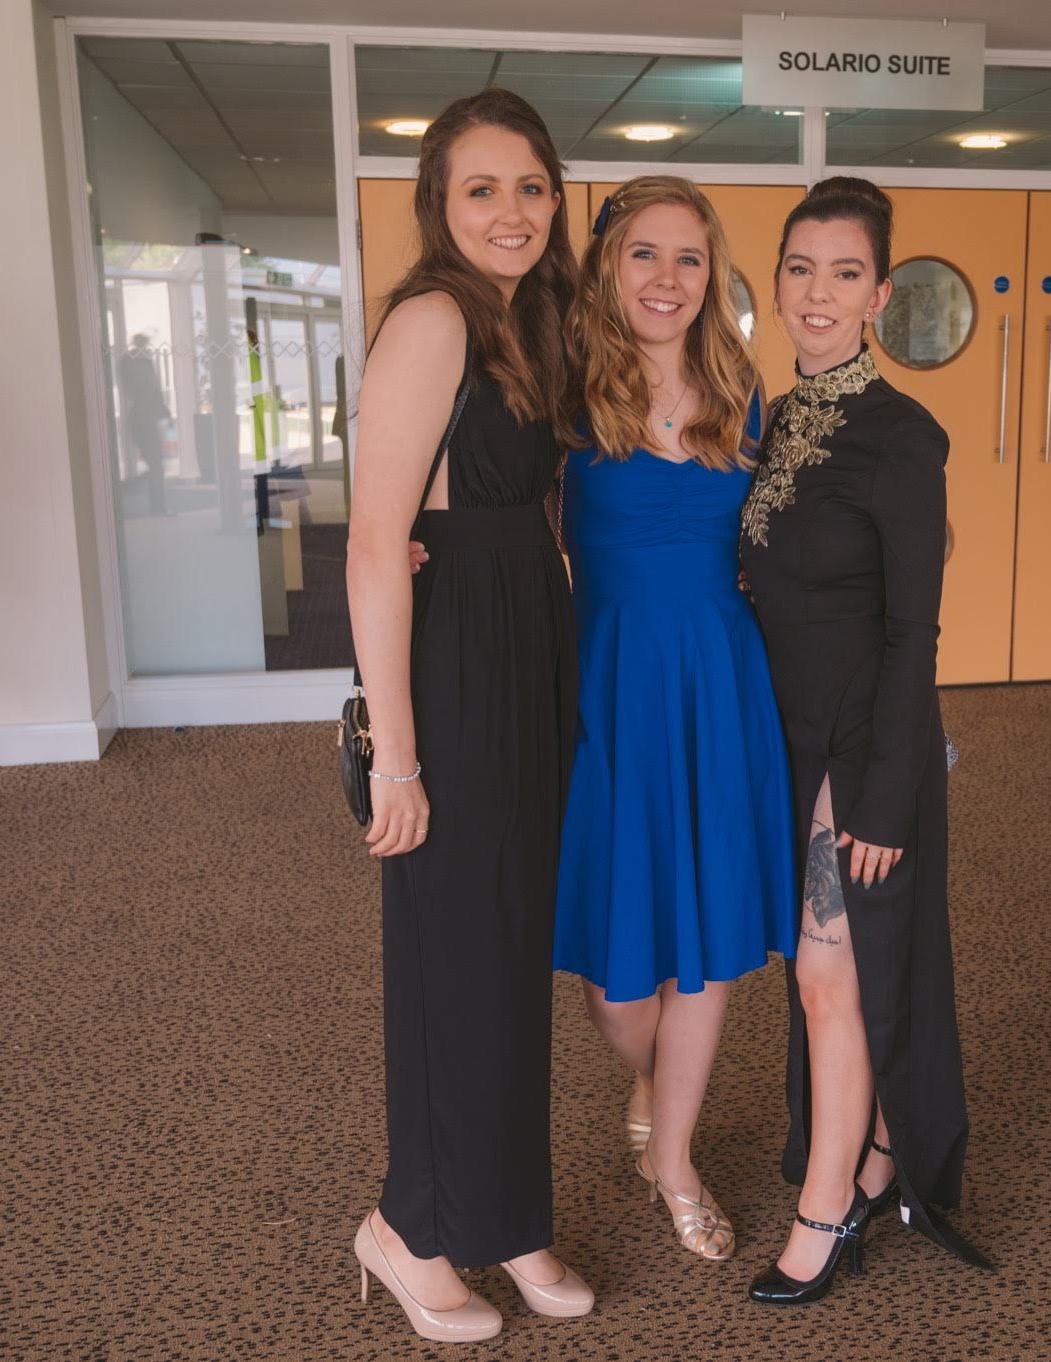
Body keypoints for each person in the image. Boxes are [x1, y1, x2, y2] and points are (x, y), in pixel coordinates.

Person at [343, 87, 593, 1345]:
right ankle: (411, 1226)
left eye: (531, 186)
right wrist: (397, 756)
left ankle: (503, 1213)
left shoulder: (526, 319)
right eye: (482, 189)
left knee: (507, 953)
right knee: (454, 958)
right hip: (453, 675)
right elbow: (377, 549)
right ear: (440, 205)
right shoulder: (436, 318)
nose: (511, 210)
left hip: (524, 650)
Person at [738, 177, 990, 1305]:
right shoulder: (779, 417)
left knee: (829, 983)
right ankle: (875, 1151)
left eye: (843, 274)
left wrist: (887, 797)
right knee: (816, 974)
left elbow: (912, 632)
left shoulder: (902, 436)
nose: (817, 294)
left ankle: (825, 1209)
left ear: (879, 294)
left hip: (856, 748)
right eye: (799, 269)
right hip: (782, 736)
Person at [551, 176, 795, 1263]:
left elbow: (783, 538)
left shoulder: (745, 389)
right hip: (602, 679)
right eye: (643, 254)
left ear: (712, 273)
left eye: (687, 258)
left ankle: (675, 1159)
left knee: (699, 944)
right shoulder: (562, 392)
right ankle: (652, 1083)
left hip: (715, 679)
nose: (665, 278)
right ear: (610, 266)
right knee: (617, 977)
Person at [117, 333, 169, 515]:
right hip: (143, 418)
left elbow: (154, 390)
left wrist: (162, 413)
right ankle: (157, 506)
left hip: (145, 417)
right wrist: (162, 413)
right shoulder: (134, 363)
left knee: (156, 465)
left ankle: (158, 506)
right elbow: (150, 389)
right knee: (156, 465)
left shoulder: (137, 363)